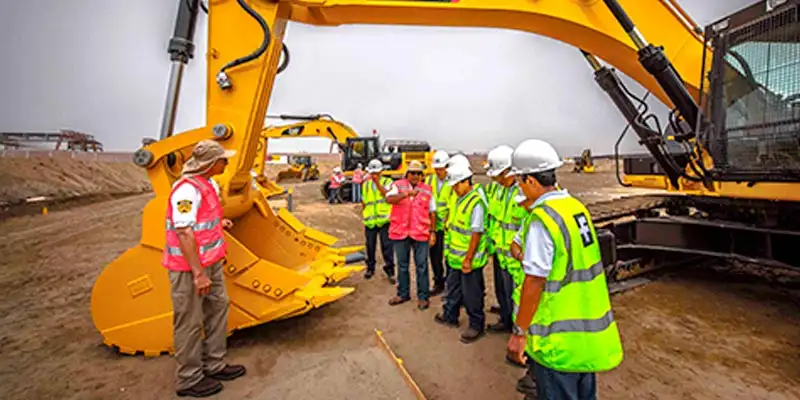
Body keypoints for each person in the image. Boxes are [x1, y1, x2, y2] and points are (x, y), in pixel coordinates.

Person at [506, 139, 623, 400]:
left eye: (519, 182)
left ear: (531, 181)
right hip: (586, 336)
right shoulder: (575, 208)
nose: (520, 188)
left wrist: (519, 333)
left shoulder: (542, 219)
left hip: (558, 343)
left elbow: (534, 282)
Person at [163, 140, 246, 398]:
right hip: (190, 269)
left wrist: (220, 222)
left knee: (218, 307)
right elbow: (184, 231)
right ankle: (189, 379)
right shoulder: (185, 191)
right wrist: (198, 274)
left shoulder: (207, 185)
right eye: (223, 160)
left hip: (211, 263)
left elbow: (200, 219)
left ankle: (215, 363)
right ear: (210, 163)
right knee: (189, 320)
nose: (227, 163)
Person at [434, 160, 488, 343]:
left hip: (468, 259)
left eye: (457, 185)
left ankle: (476, 325)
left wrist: (469, 258)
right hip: (455, 257)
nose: (455, 189)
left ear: (466, 181)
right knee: (453, 289)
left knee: (472, 294)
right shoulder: (458, 199)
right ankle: (451, 315)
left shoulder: (476, 203)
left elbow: (476, 233)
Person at [483, 145, 524, 338]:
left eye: (499, 176)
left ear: (510, 171)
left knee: (519, 296)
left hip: (517, 258)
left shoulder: (524, 193)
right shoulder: (498, 190)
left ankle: (519, 334)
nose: (496, 180)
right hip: (500, 253)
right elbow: (495, 219)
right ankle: (506, 320)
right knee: (503, 292)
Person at [386, 160, 437, 310]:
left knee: (421, 265)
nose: (415, 176)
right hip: (400, 232)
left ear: (422, 175)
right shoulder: (398, 185)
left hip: (420, 233)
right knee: (402, 265)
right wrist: (405, 194)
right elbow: (388, 199)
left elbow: (432, 213)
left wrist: (432, 232)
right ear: (407, 173)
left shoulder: (427, 190)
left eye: (418, 173)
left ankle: (423, 297)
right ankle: (403, 293)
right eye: (412, 172)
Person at [361, 159, 396, 283]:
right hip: (370, 221)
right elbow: (364, 201)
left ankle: (390, 270)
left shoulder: (388, 182)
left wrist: (377, 184)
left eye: (376, 173)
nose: (374, 175)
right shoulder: (365, 185)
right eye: (372, 173)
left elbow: (387, 196)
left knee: (387, 247)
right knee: (370, 246)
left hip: (384, 221)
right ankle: (370, 268)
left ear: (381, 171)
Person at [424, 150, 451, 296]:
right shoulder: (429, 180)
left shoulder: (453, 181)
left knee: (449, 258)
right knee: (434, 256)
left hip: (448, 226)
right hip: (433, 225)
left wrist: (449, 220)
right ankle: (438, 283)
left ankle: (450, 286)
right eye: (436, 169)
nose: (438, 171)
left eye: (441, 169)